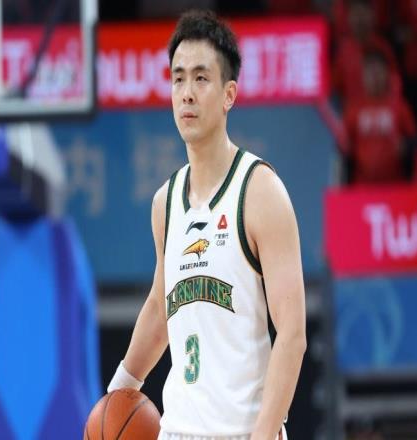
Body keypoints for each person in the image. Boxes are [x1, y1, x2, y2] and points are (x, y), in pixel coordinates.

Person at [107, 10, 307, 440]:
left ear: (229, 94)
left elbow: (292, 333)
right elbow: (161, 306)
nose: (187, 94)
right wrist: (117, 392)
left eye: (201, 78)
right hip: (177, 431)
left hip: (244, 431)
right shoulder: (165, 202)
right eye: (178, 79)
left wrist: (263, 434)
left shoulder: (260, 191)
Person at [342, 50, 417, 184]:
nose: (374, 78)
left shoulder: (400, 106)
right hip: (361, 186)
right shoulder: (353, 109)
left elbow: (416, 144)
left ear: (386, 74)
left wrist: (406, 147)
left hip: (394, 185)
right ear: (363, 76)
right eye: (370, 73)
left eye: (378, 72)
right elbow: (343, 147)